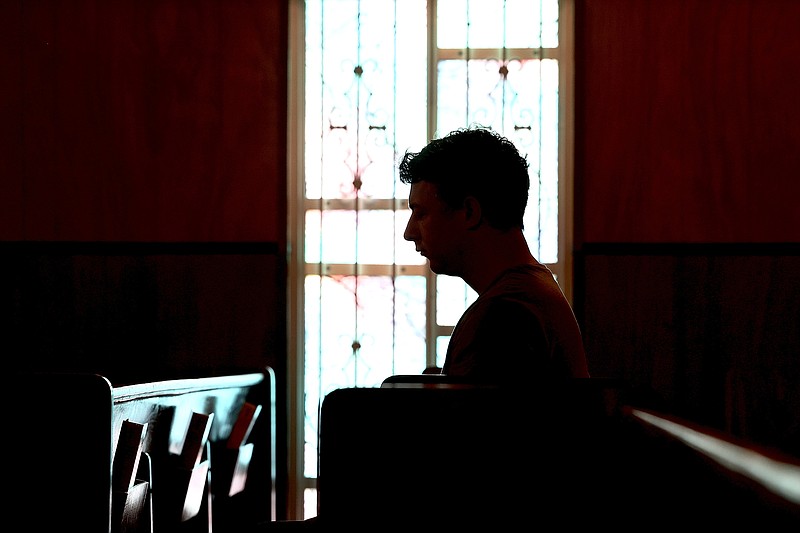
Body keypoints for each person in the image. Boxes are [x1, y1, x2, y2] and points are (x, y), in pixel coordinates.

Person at [399, 126, 590, 384]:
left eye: (421, 214)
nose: (409, 233)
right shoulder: (531, 290)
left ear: (469, 212)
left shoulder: (502, 318)